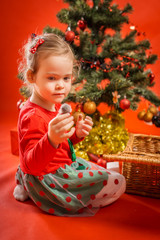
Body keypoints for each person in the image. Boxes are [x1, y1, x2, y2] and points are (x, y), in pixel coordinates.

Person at [13, 33, 126, 216]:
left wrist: (76, 134)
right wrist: (51, 139)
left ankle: (26, 186)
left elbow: (62, 144)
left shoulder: (54, 103)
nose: (61, 86)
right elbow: (31, 164)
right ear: (32, 77)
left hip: (64, 164)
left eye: (66, 78)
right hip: (50, 177)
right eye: (52, 78)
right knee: (119, 183)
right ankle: (35, 189)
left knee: (103, 172)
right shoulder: (32, 115)